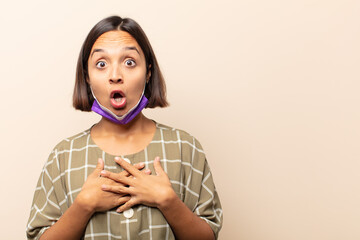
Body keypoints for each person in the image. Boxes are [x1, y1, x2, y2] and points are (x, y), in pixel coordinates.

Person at [26, 15, 223, 240]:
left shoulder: (185, 148)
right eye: (101, 64)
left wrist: (168, 201)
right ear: (87, 77)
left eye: (129, 62)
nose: (115, 76)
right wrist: (83, 205)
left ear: (148, 72)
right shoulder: (62, 156)